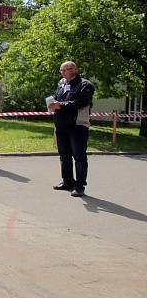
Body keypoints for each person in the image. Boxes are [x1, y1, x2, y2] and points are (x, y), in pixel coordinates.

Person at [48, 61, 94, 197]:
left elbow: (82, 102)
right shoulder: (61, 83)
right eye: (61, 70)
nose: (63, 72)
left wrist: (60, 105)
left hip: (77, 125)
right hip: (61, 125)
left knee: (79, 156)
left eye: (66, 69)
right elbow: (57, 98)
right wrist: (52, 103)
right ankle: (67, 181)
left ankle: (80, 186)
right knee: (64, 155)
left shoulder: (85, 84)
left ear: (74, 69)